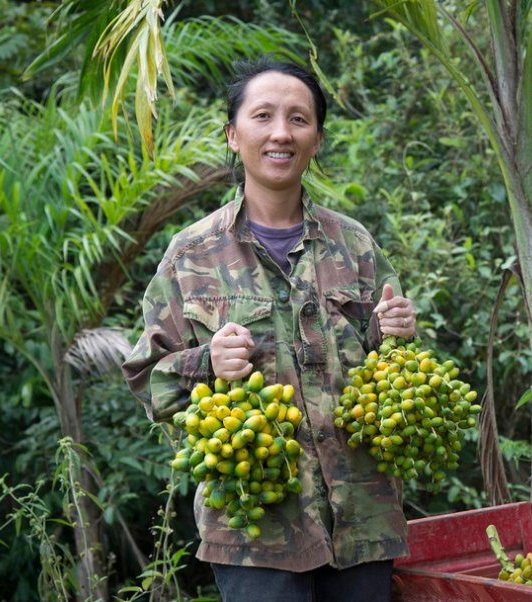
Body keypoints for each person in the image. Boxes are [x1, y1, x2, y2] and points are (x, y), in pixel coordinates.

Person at [122, 57, 417, 602]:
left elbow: (393, 377)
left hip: (363, 521)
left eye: (299, 119)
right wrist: (205, 362)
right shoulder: (192, 254)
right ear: (234, 135)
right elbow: (146, 378)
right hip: (255, 526)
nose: (281, 132)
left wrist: (395, 331)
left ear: (317, 139)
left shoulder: (354, 245)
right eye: (263, 116)